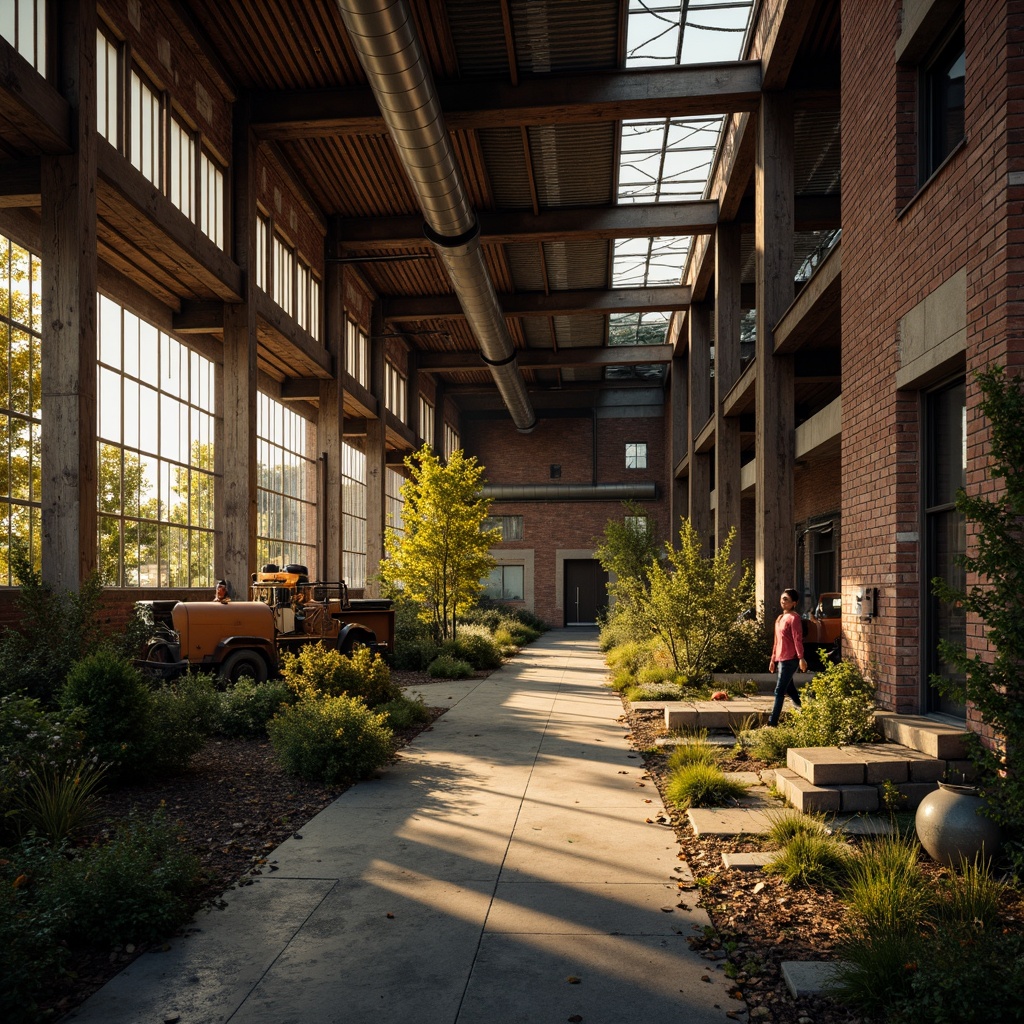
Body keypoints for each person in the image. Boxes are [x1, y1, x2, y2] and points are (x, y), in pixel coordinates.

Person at [767, 587, 807, 726]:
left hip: (791, 659)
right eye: (782, 598)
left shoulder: (794, 618)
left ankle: (772, 723)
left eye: (786, 599)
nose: (782, 601)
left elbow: (797, 638)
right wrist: (773, 659)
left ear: (794, 603)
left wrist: (801, 658)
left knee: (779, 690)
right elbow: (776, 641)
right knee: (790, 689)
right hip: (780, 659)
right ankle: (806, 713)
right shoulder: (780, 618)